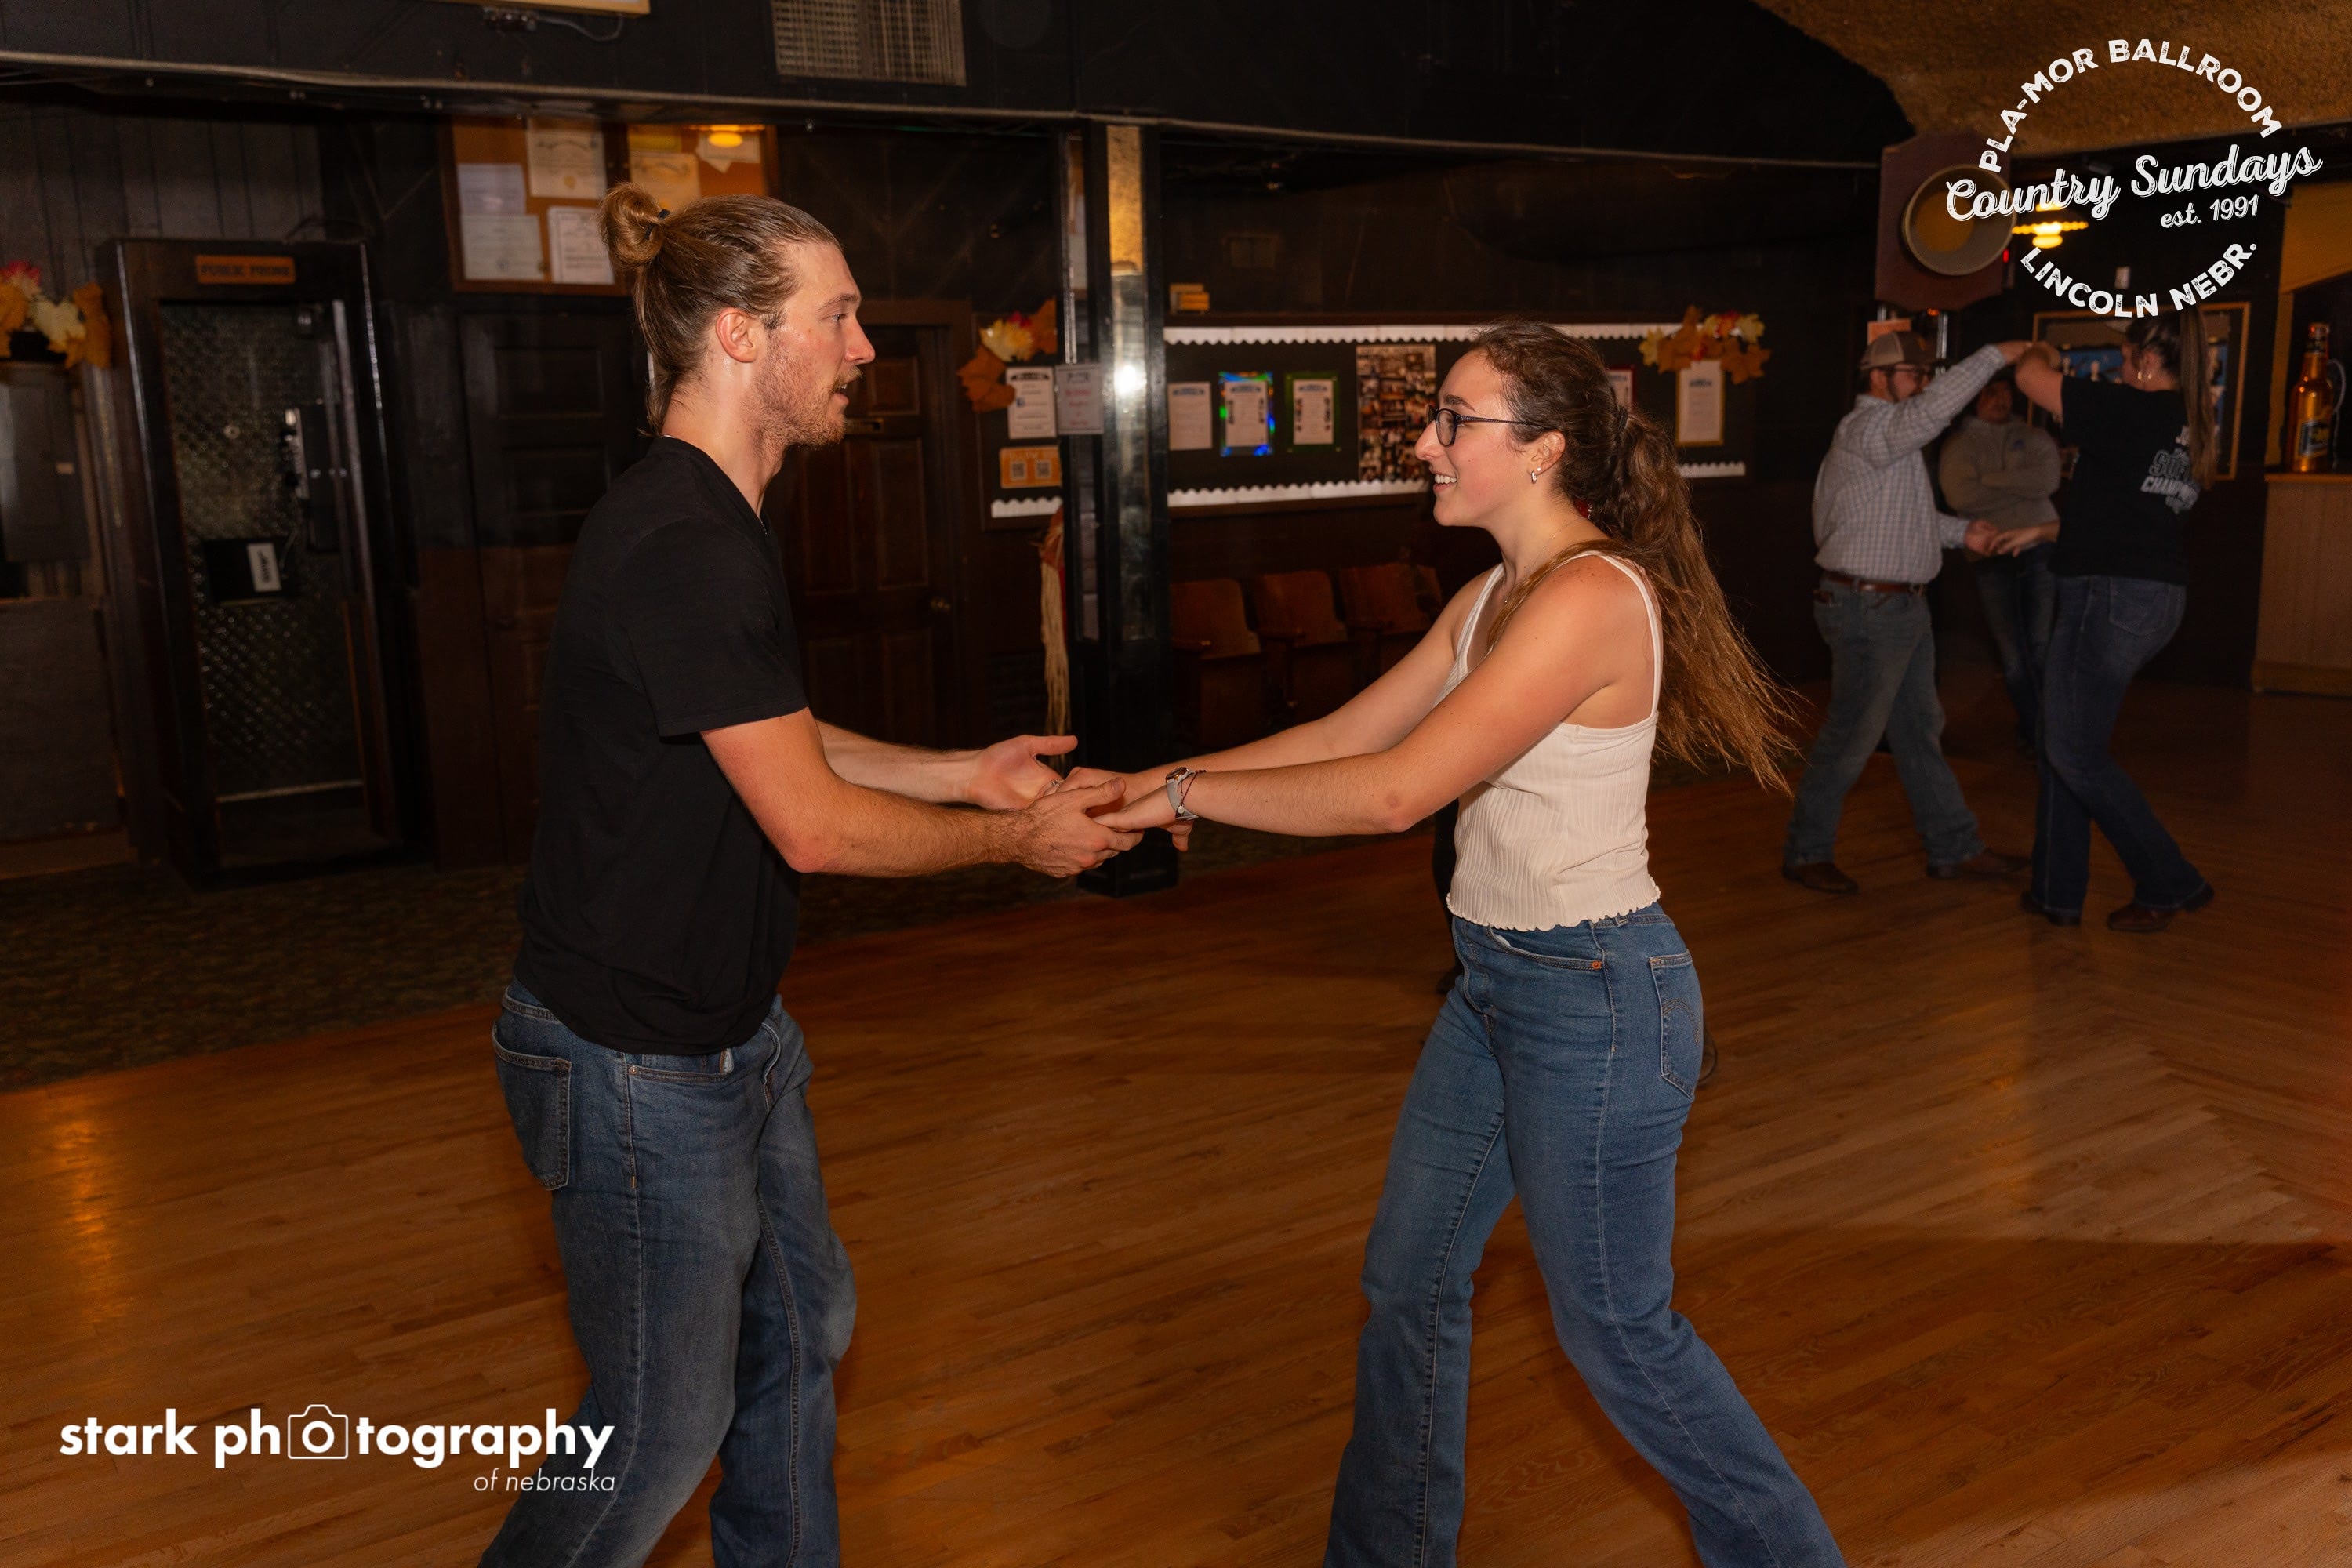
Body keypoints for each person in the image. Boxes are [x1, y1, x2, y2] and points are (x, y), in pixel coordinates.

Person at [1085, 323, 1842, 1567]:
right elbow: (1348, 734)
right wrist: (1153, 784)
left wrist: (1180, 801)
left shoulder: (1593, 597)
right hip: (1498, 988)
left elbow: (1395, 793)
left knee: (1619, 1332)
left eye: (1454, 421)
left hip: (1597, 997)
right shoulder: (1495, 594)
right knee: (1409, 1279)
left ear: (1543, 450)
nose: (1426, 445)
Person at [481, 184, 1140, 1568]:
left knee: (804, 1328)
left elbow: (767, 735)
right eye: (835, 318)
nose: (860, 348)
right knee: (661, 1426)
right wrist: (1019, 842)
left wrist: (964, 774)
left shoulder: (712, 520)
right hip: (635, 1058)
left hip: (734, 1034)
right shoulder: (682, 541)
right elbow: (814, 828)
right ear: (740, 335)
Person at [1780, 330, 2032, 895]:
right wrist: (1995, 356)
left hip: (1893, 606)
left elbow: (1902, 520)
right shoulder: (1868, 428)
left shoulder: (1886, 442)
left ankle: (1953, 847)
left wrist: (1962, 533)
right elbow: (1930, 414)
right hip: (1871, 607)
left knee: (1918, 732)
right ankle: (1806, 851)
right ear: (1879, 378)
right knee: (1853, 732)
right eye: (1913, 375)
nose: (1922, 385)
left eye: (1924, 375)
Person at [2002, 313, 2217, 932]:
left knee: (2074, 751)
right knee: (2065, 739)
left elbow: (2030, 379)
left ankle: (2169, 879)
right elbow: (2127, 516)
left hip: (2110, 596)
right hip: (2149, 596)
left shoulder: (2129, 408)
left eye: (2125, 359)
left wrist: (2037, 350)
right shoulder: (2189, 425)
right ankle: (2056, 890)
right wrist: (2041, 531)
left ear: (2147, 361)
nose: (2120, 370)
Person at [1938, 372, 2061, 753]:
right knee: (2012, 654)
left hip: (2039, 550)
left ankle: (2052, 734)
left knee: (2042, 646)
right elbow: (1961, 496)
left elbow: (2048, 482)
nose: (2000, 399)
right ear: (1975, 399)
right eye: (1991, 392)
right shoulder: (1960, 445)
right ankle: (2036, 731)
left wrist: (1989, 480)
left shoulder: (2035, 438)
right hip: (1990, 555)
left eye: (2005, 392)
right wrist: (2019, 485)